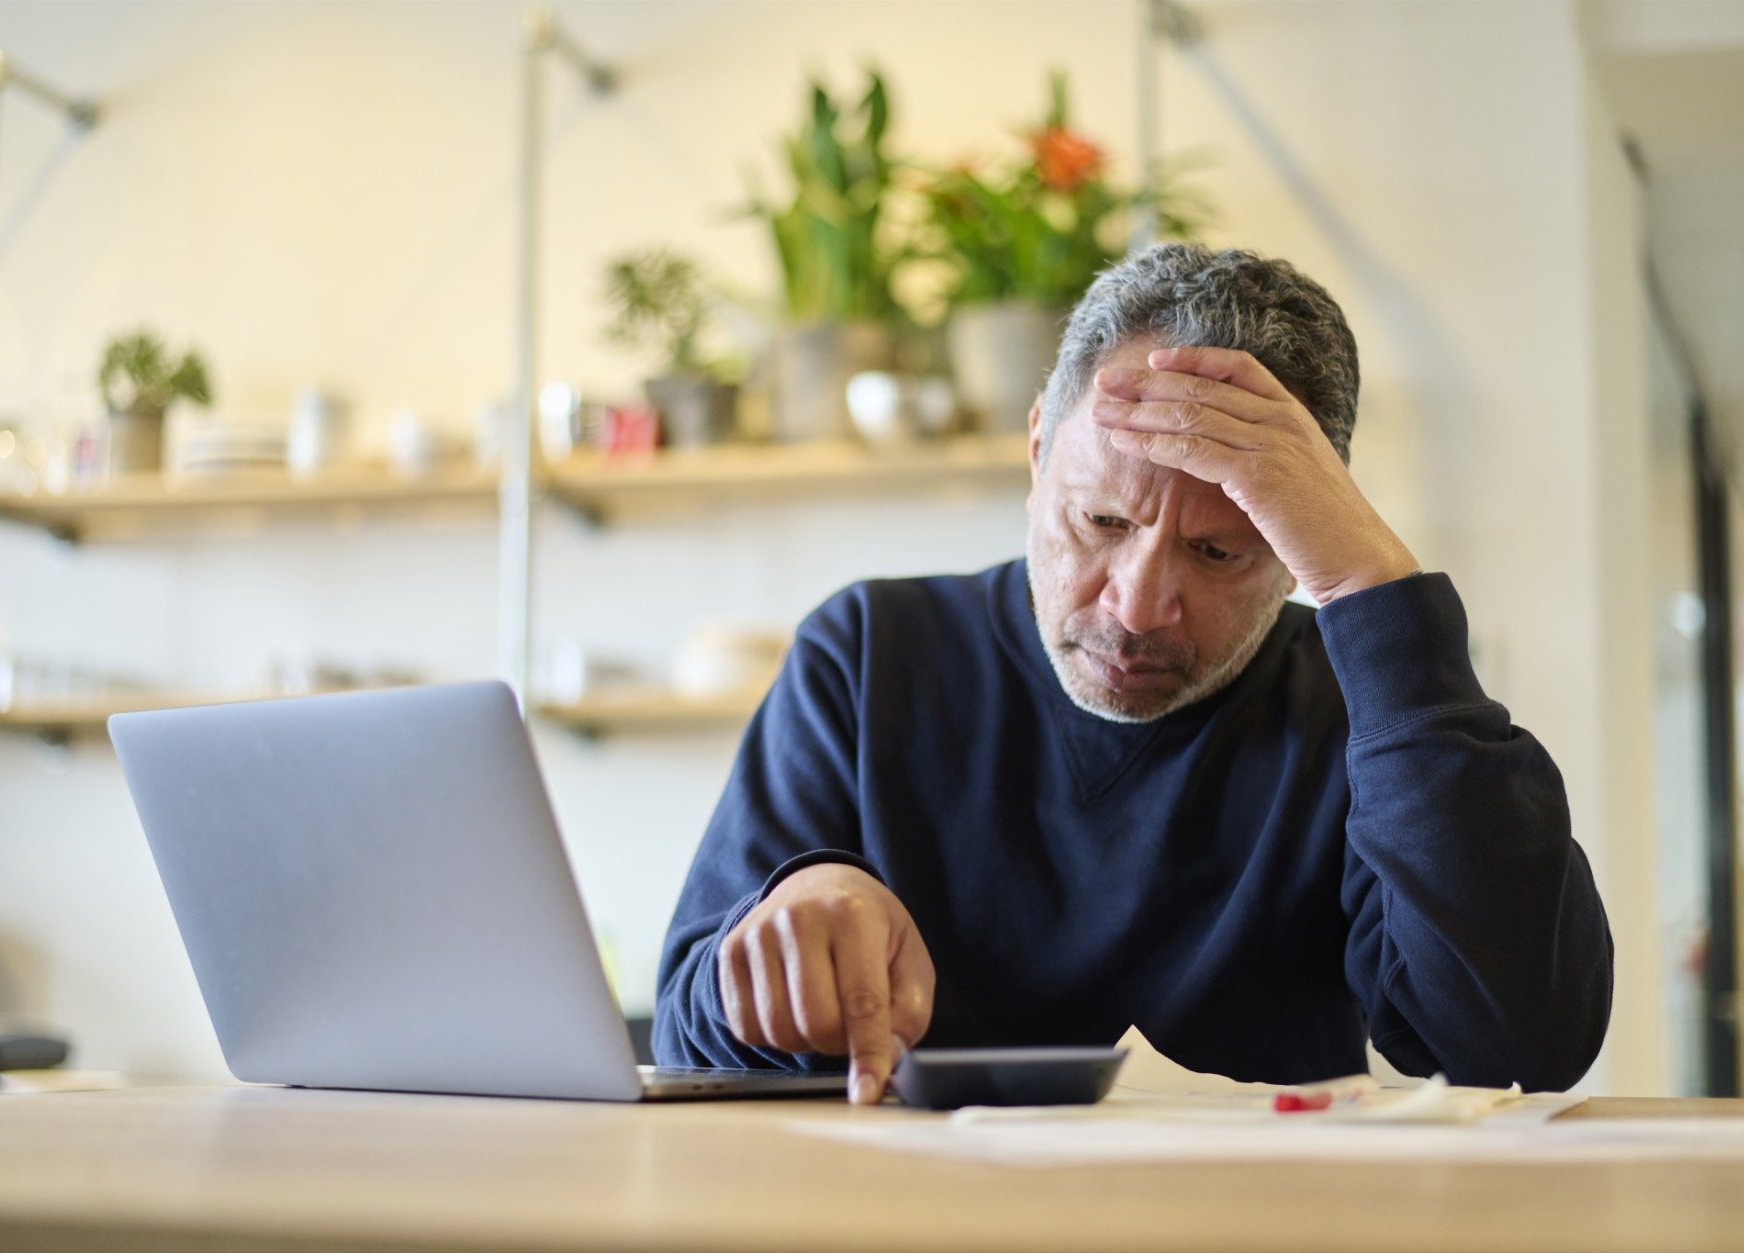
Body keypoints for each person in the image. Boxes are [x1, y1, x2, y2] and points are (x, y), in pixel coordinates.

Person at [653, 243, 1614, 1105]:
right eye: (1102, 523)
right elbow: (682, 1039)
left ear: (1296, 547)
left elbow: (1526, 1043)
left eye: (1220, 552)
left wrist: (1375, 588)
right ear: (1037, 452)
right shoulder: (868, 651)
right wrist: (785, 925)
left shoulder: (1358, 706)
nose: (1137, 605)